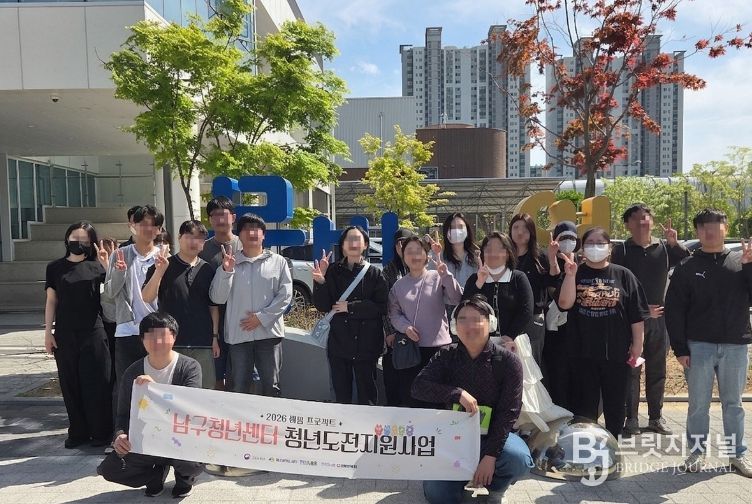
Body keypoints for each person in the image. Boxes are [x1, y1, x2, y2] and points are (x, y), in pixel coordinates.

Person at [412, 295, 533, 504]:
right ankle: (460, 482)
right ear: (454, 326)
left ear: (491, 323)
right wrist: (456, 393)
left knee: (518, 458)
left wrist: (491, 456)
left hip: (494, 434)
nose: (469, 326)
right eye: (462, 319)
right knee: (438, 495)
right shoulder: (446, 355)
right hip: (452, 437)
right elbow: (418, 387)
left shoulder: (508, 362)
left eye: (477, 319)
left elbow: (509, 412)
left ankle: (496, 488)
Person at [665, 209, 752, 476]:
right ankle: (696, 452)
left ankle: (737, 454)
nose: (710, 231)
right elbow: (674, 310)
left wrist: (749, 267)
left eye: (715, 226)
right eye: (703, 227)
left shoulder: (741, 260)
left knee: (733, 404)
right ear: (697, 231)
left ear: (726, 228)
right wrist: (680, 349)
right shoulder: (686, 266)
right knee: (698, 405)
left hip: (735, 344)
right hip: (698, 345)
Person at [97, 312, 204, 498]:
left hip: (179, 439)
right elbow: (122, 415)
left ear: (174, 337)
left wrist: (155, 390)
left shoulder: (189, 367)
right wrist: (119, 436)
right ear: (142, 340)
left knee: (194, 462)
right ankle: (153, 476)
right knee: (109, 469)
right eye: (150, 336)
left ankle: (184, 479)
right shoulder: (132, 372)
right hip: (146, 442)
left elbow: (189, 408)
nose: (157, 341)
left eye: (162, 335)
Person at [557, 227, 648, 437]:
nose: (595, 247)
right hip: (582, 351)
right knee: (585, 405)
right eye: (590, 243)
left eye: (600, 243)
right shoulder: (575, 272)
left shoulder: (624, 275)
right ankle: (586, 444)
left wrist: (638, 344)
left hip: (616, 352)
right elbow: (564, 303)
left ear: (610, 248)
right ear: (582, 248)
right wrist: (570, 275)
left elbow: (636, 315)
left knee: (615, 404)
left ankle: (613, 443)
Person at [611, 204, 690, 436]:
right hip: (631, 321)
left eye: (645, 218)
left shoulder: (664, 248)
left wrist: (675, 242)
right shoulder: (622, 251)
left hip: (659, 321)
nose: (641, 222)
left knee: (657, 369)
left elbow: (689, 261)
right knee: (632, 369)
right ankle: (632, 419)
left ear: (652, 222)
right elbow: (617, 287)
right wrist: (643, 311)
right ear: (627, 224)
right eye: (635, 219)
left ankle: (656, 417)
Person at [44, 221, 113, 448]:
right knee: (70, 383)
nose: (79, 243)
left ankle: (101, 432)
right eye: (75, 238)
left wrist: (107, 264)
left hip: (94, 332)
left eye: (85, 239)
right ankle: (78, 432)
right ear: (67, 239)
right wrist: (48, 332)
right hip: (65, 334)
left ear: (92, 243)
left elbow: (113, 292)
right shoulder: (54, 267)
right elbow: (51, 301)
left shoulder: (98, 266)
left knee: (97, 383)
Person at [210, 213, 292, 397]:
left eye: (257, 229)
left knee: (271, 386)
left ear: (264, 235)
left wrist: (261, 318)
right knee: (238, 387)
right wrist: (226, 271)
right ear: (239, 235)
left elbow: (285, 296)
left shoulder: (278, 262)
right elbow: (217, 298)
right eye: (246, 229)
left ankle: (271, 417)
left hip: (269, 334)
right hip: (239, 336)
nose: (252, 233)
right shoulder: (230, 261)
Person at [312, 226, 389, 405]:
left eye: (357, 239)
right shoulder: (332, 271)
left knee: (367, 396)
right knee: (341, 395)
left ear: (365, 245)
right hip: (339, 343)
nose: (353, 243)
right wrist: (320, 281)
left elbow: (382, 306)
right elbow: (323, 306)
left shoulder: (375, 273)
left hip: (367, 344)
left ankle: (367, 423)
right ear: (342, 246)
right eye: (349, 239)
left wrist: (351, 307)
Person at [142, 220, 220, 389]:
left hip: (202, 343)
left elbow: (213, 307)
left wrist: (214, 338)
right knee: (171, 393)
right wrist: (159, 272)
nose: (193, 242)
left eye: (199, 238)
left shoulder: (208, 270)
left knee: (205, 391)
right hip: (171, 343)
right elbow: (147, 297)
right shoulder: (163, 265)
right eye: (189, 236)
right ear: (179, 238)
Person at [388, 236, 463, 407]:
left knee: (439, 397)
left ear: (426, 255)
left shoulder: (438, 276)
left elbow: (456, 298)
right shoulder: (398, 285)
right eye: (409, 251)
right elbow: (394, 314)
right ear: (403, 256)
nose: (414, 255)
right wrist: (405, 327)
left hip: (439, 349)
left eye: (418, 251)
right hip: (410, 350)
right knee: (412, 396)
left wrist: (446, 275)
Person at [103, 205, 163, 384]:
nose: (148, 228)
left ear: (159, 230)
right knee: (127, 384)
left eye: (153, 225)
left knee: (156, 385)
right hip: (127, 329)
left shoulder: (163, 257)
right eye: (143, 224)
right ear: (133, 226)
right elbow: (110, 292)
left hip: (157, 330)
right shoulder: (120, 254)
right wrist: (119, 272)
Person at [462, 232, 534, 353]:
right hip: (480, 346)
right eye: (488, 249)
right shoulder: (474, 279)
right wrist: (479, 283)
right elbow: (463, 308)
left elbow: (526, 310)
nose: (492, 253)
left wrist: (509, 335)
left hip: (513, 343)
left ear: (508, 253)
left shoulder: (518, 278)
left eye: (499, 249)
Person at [199, 196, 241, 391]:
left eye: (223, 214)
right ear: (209, 220)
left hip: (241, 321)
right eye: (214, 215)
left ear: (233, 217)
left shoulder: (245, 246)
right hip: (212, 322)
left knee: (240, 377)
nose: (219, 219)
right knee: (214, 377)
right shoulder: (203, 249)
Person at [509, 214, 561, 366]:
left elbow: (552, 280)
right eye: (516, 227)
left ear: (531, 232)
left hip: (533, 318)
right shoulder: (504, 257)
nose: (520, 232)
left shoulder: (540, 256)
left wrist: (552, 259)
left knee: (531, 363)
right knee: (510, 361)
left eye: (525, 228)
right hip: (509, 316)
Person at [541, 221, 578, 410]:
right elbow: (553, 290)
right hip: (554, 332)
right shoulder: (547, 261)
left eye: (572, 237)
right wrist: (553, 259)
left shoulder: (583, 262)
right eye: (563, 238)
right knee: (557, 375)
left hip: (577, 330)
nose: (568, 242)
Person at [381, 228, 416, 406]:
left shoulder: (421, 268)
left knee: (413, 387)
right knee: (394, 387)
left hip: (418, 335)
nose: (401, 246)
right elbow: (385, 304)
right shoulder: (388, 271)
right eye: (398, 243)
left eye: (405, 242)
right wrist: (389, 332)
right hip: (396, 337)